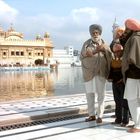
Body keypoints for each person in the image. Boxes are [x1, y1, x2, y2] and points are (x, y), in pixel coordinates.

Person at [80, 24, 112, 123]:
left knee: (101, 95)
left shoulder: (104, 44)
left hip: (101, 73)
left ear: (100, 33)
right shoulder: (86, 44)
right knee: (90, 95)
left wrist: (104, 49)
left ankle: (100, 116)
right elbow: (81, 56)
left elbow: (111, 56)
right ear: (91, 33)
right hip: (89, 73)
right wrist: (89, 53)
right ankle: (91, 115)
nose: (95, 34)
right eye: (93, 33)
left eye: (97, 32)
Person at [108, 28, 130, 126]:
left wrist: (122, 79)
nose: (117, 53)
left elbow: (127, 71)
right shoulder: (113, 61)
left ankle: (125, 120)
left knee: (124, 102)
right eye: (115, 52)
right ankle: (118, 119)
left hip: (123, 83)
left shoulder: (125, 61)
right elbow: (111, 72)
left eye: (118, 51)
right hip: (115, 83)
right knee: (117, 101)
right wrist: (110, 78)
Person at [122, 18, 140, 133]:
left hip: (134, 74)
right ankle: (137, 123)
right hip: (136, 74)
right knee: (136, 99)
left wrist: (128, 61)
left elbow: (134, 58)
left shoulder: (135, 38)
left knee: (132, 99)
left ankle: (138, 125)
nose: (125, 30)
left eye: (127, 28)